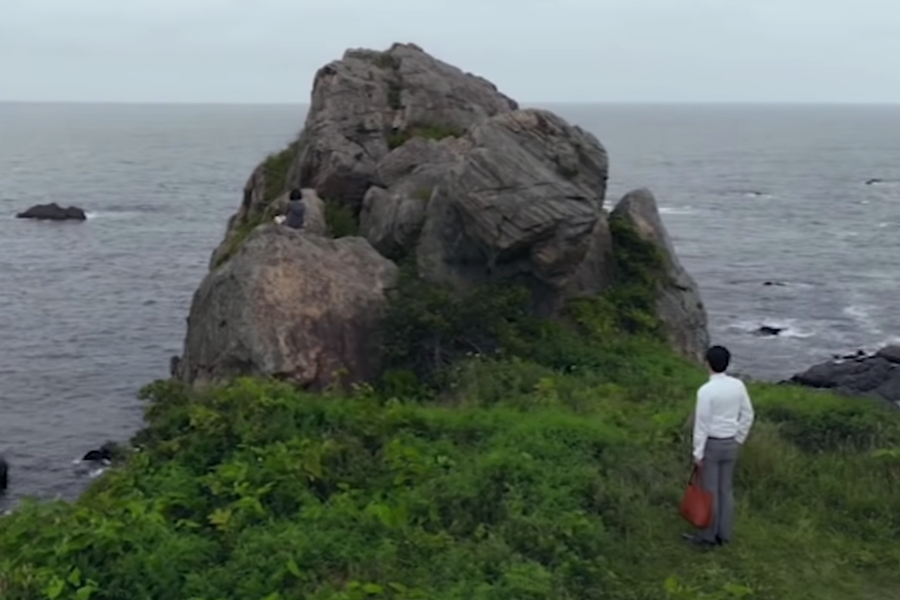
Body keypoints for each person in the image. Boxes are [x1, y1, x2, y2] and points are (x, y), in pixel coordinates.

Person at [683, 345, 754, 547]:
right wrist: (739, 437)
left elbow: (702, 424)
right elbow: (748, 414)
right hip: (731, 442)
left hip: (712, 444)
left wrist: (698, 452)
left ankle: (707, 536)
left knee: (709, 491)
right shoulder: (738, 385)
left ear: (707, 363)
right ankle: (724, 534)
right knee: (725, 490)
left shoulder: (706, 391)